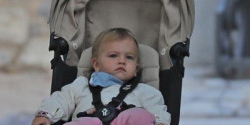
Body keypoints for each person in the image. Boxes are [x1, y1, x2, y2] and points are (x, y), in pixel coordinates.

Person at [31, 28, 170, 125]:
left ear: (136, 70)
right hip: (90, 120)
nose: (122, 61)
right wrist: (46, 114)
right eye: (113, 55)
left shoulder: (144, 91)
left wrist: (161, 122)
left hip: (125, 120)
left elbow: (157, 109)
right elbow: (61, 99)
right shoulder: (81, 85)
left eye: (129, 57)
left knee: (140, 116)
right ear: (96, 64)